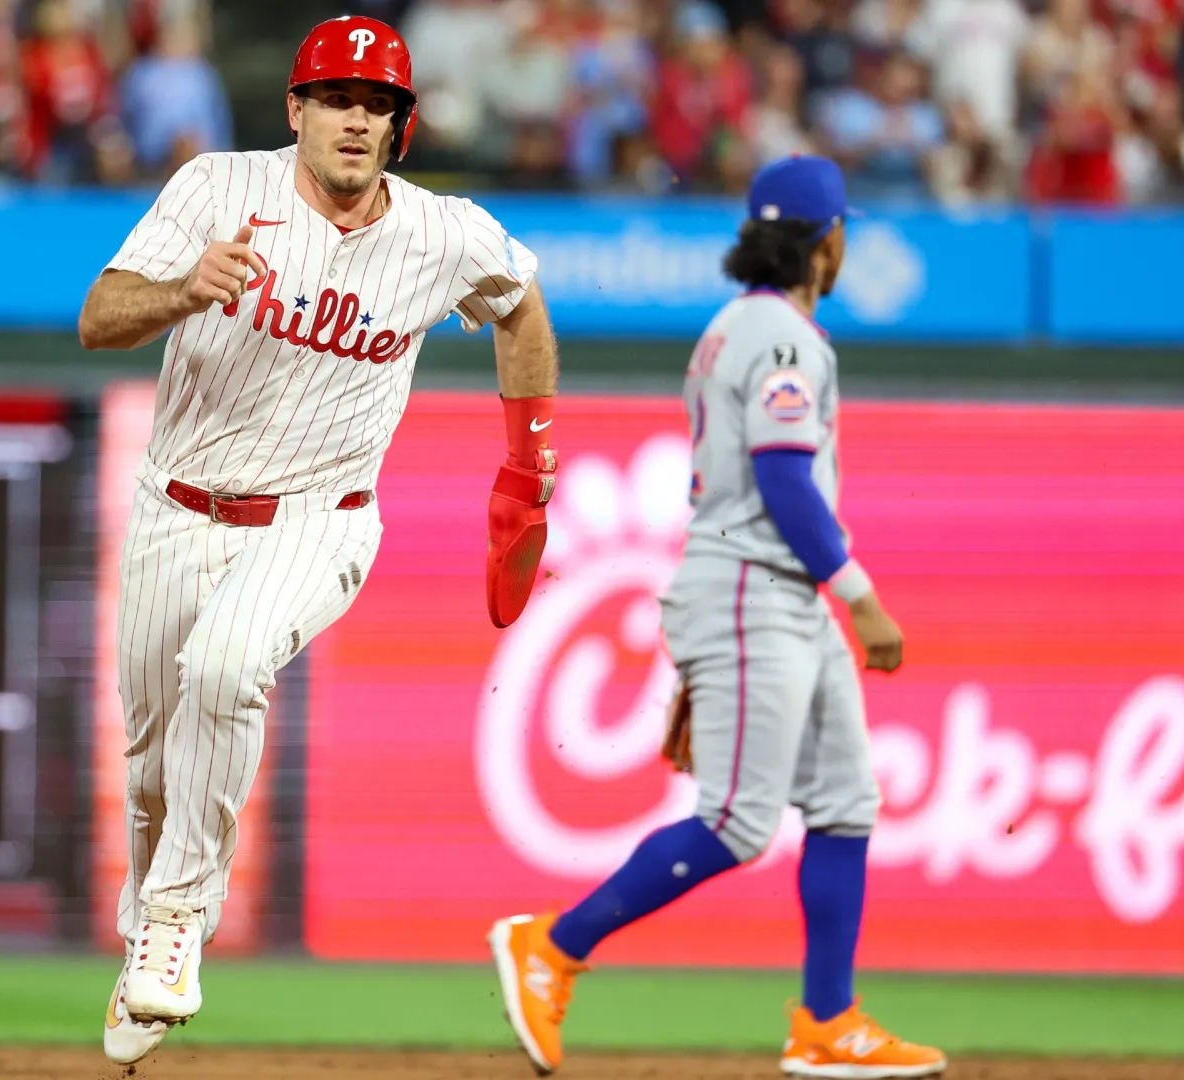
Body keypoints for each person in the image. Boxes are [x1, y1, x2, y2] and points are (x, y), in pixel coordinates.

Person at [77, 14, 561, 1066]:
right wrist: (182, 290)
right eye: (336, 98)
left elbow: (521, 305)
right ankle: (151, 932)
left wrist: (528, 464)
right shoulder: (215, 189)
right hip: (177, 507)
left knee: (228, 662)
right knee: (152, 770)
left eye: (377, 104)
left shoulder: (444, 235)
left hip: (319, 519)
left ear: (401, 127)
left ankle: (171, 924)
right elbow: (99, 316)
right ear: (295, 110)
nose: (355, 119)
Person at [486, 155, 947, 1080]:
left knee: (846, 804)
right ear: (827, 240)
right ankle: (555, 945)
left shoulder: (747, 325)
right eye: (841, 229)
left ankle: (828, 1020)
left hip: (774, 594)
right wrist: (863, 597)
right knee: (738, 821)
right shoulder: (781, 337)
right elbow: (782, 480)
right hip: (750, 587)